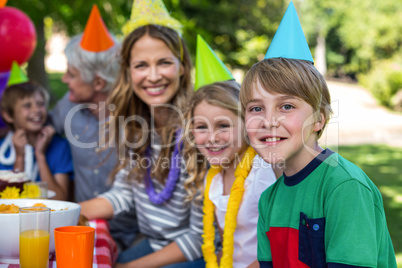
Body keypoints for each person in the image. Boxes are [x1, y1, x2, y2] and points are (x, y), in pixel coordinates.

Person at [240, 3, 397, 267]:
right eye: (256, 108)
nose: (268, 120)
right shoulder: (270, 200)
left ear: (318, 119)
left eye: (286, 106)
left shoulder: (343, 187)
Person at [80, 0, 204, 267]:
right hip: (154, 243)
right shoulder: (139, 128)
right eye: (141, 65)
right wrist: (61, 212)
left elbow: (200, 237)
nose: (154, 75)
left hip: (196, 253)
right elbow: (123, 194)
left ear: (182, 67)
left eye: (164, 62)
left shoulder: (200, 132)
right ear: (128, 72)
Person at [49, 5, 138, 250]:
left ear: (98, 82)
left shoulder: (136, 120)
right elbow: (38, 129)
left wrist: (55, 215)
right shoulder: (66, 106)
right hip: (84, 227)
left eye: (71, 74)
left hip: (133, 235)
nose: (65, 79)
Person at [183, 35, 277, 268]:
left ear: (246, 124)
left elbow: (278, 248)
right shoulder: (213, 176)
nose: (212, 137)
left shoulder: (262, 174)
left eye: (223, 125)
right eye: (202, 127)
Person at [0, 81, 74, 200]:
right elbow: (11, 201)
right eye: (27, 106)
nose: (37, 110)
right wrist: (20, 157)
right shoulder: (2, 150)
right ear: (8, 115)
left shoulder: (59, 146)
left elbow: (59, 200)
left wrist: (40, 155)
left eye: (41, 104)